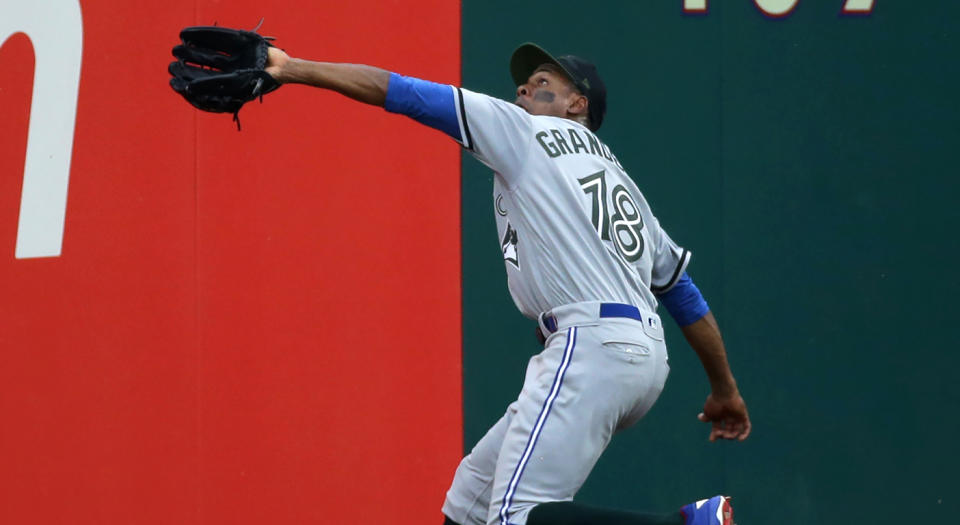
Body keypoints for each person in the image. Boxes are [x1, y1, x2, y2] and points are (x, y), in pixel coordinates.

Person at [264, 42, 751, 525]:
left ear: (577, 104)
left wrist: (292, 67)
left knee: (518, 517)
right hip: (641, 357)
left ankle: (685, 524)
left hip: (590, 345)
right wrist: (724, 390)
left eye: (542, 82)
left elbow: (405, 93)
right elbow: (683, 295)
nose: (523, 87)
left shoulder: (525, 131)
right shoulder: (619, 179)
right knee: (470, 500)